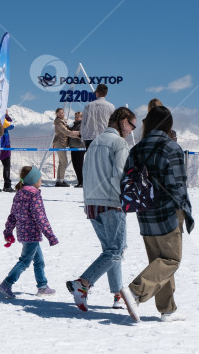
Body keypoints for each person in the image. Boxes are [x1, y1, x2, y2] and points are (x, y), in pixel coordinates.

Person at [125, 106, 194, 323]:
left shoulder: (136, 149)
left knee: (158, 262)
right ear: (168, 125)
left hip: (145, 212)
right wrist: (186, 210)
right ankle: (135, 291)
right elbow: (178, 184)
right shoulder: (171, 147)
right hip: (167, 212)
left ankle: (167, 310)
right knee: (171, 259)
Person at [66, 107, 137, 315]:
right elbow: (120, 175)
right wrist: (124, 200)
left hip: (92, 204)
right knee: (116, 250)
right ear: (123, 121)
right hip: (111, 202)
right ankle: (83, 282)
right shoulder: (119, 143)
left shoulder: (94, 142)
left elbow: (85, 172)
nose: (131, 130)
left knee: (111, 251)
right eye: (132, 125)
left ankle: (117, 294)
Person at [0, 166, 58, 298]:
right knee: (25, 261)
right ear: (33, 180)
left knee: (39, 260)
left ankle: (42, 286)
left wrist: (8, 231)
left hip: (23, 233)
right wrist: (50, 236)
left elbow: (12, 215)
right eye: (40, 179)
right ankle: (7, 284)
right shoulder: (34, 195)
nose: (41, 181)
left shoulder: (19, 193)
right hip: (32, 234)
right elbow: (40, 217)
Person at [81, 84, 115, 150]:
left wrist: (83, 137)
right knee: (104, 159)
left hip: (90, 138)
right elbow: (113, 124)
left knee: (91, 159)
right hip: (105, 137)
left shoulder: (88, 106)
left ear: (97, 92)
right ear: (106, 93)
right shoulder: (111, 106)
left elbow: (83, 123)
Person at [53, 108, 80, 187]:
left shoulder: (63, 121)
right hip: (59, 143)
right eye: (60, 113)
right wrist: (78, 134)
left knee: (62, 162)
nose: (62, 114)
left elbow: (68, 129)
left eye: (62, 113)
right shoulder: (59, 123)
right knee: (64, 161)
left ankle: (59, 180)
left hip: (62, 143)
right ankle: (60, 181)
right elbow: (66, 132)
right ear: (57, 114)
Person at [69, 112, 86, 188]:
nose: (76, 118)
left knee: (79, 165)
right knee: (75, 165)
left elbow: (84, 133)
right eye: (75, 117)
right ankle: (80, 181)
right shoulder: (74, 125)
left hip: (79, 147)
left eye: (78, 117)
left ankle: (82, 182)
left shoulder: (83, 125)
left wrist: (77, 133)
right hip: (73, 147)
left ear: (82, 117)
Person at [0, 111, 15, 192]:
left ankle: (5, 185)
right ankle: (6, 185)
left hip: (4, 146)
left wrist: (6, 116)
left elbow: (11, 126)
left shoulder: (2, 119)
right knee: (5, 166)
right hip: (0, 145)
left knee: (6, 166)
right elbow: (11, 125)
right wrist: (6, 116)